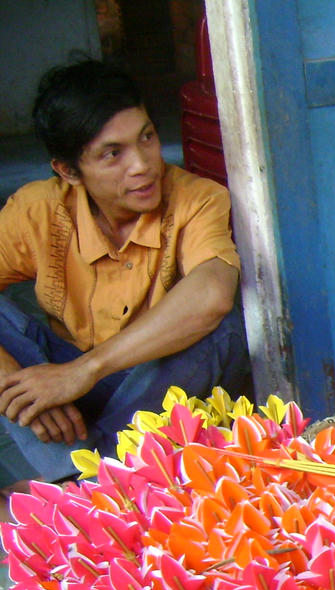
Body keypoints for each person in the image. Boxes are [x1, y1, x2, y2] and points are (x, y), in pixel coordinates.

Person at [0, 58, 251, 504]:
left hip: (152, 385)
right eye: (112, 154)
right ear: (68, 170)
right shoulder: (37, 210)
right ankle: (98, 482)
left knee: (228, 328)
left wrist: (83, 371)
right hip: (67, 397)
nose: (142, 165)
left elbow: (212, 294)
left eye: (147, 137)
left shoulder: (196, 198)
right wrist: (21, 385)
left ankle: (74, 490)